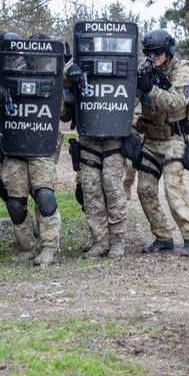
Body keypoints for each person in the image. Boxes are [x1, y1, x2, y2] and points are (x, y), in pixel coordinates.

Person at [0, 32, 62, 266]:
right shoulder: (0, 78)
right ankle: (27, 247)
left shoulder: (40, 69)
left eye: (14, 56)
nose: (11, 61)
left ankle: (49, 247)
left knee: (45, 198)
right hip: (14, 147)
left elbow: (62, 84)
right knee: (16, 203)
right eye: (5, 57)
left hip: (40, 146)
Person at [133, 29, 189, 257]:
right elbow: (131, 102)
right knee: (144, 189)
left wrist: (150, 89)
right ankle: (162, 237)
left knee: (173, 188)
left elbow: (175, 103)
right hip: (151, 139)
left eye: (158, 52)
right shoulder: (145, 68)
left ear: (168, 51)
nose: (154, 57)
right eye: (149, 53)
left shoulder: (182, 70)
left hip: (174, 139)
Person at [63, 59, 129, 260]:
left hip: (114, 139)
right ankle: (100, 240)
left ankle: (118, 240)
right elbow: (64, 113)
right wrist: (69, 75)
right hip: (89, 138)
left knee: (112, 187)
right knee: (89, 190)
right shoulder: (80, 64)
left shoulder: (123, 65)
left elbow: (134, 102)